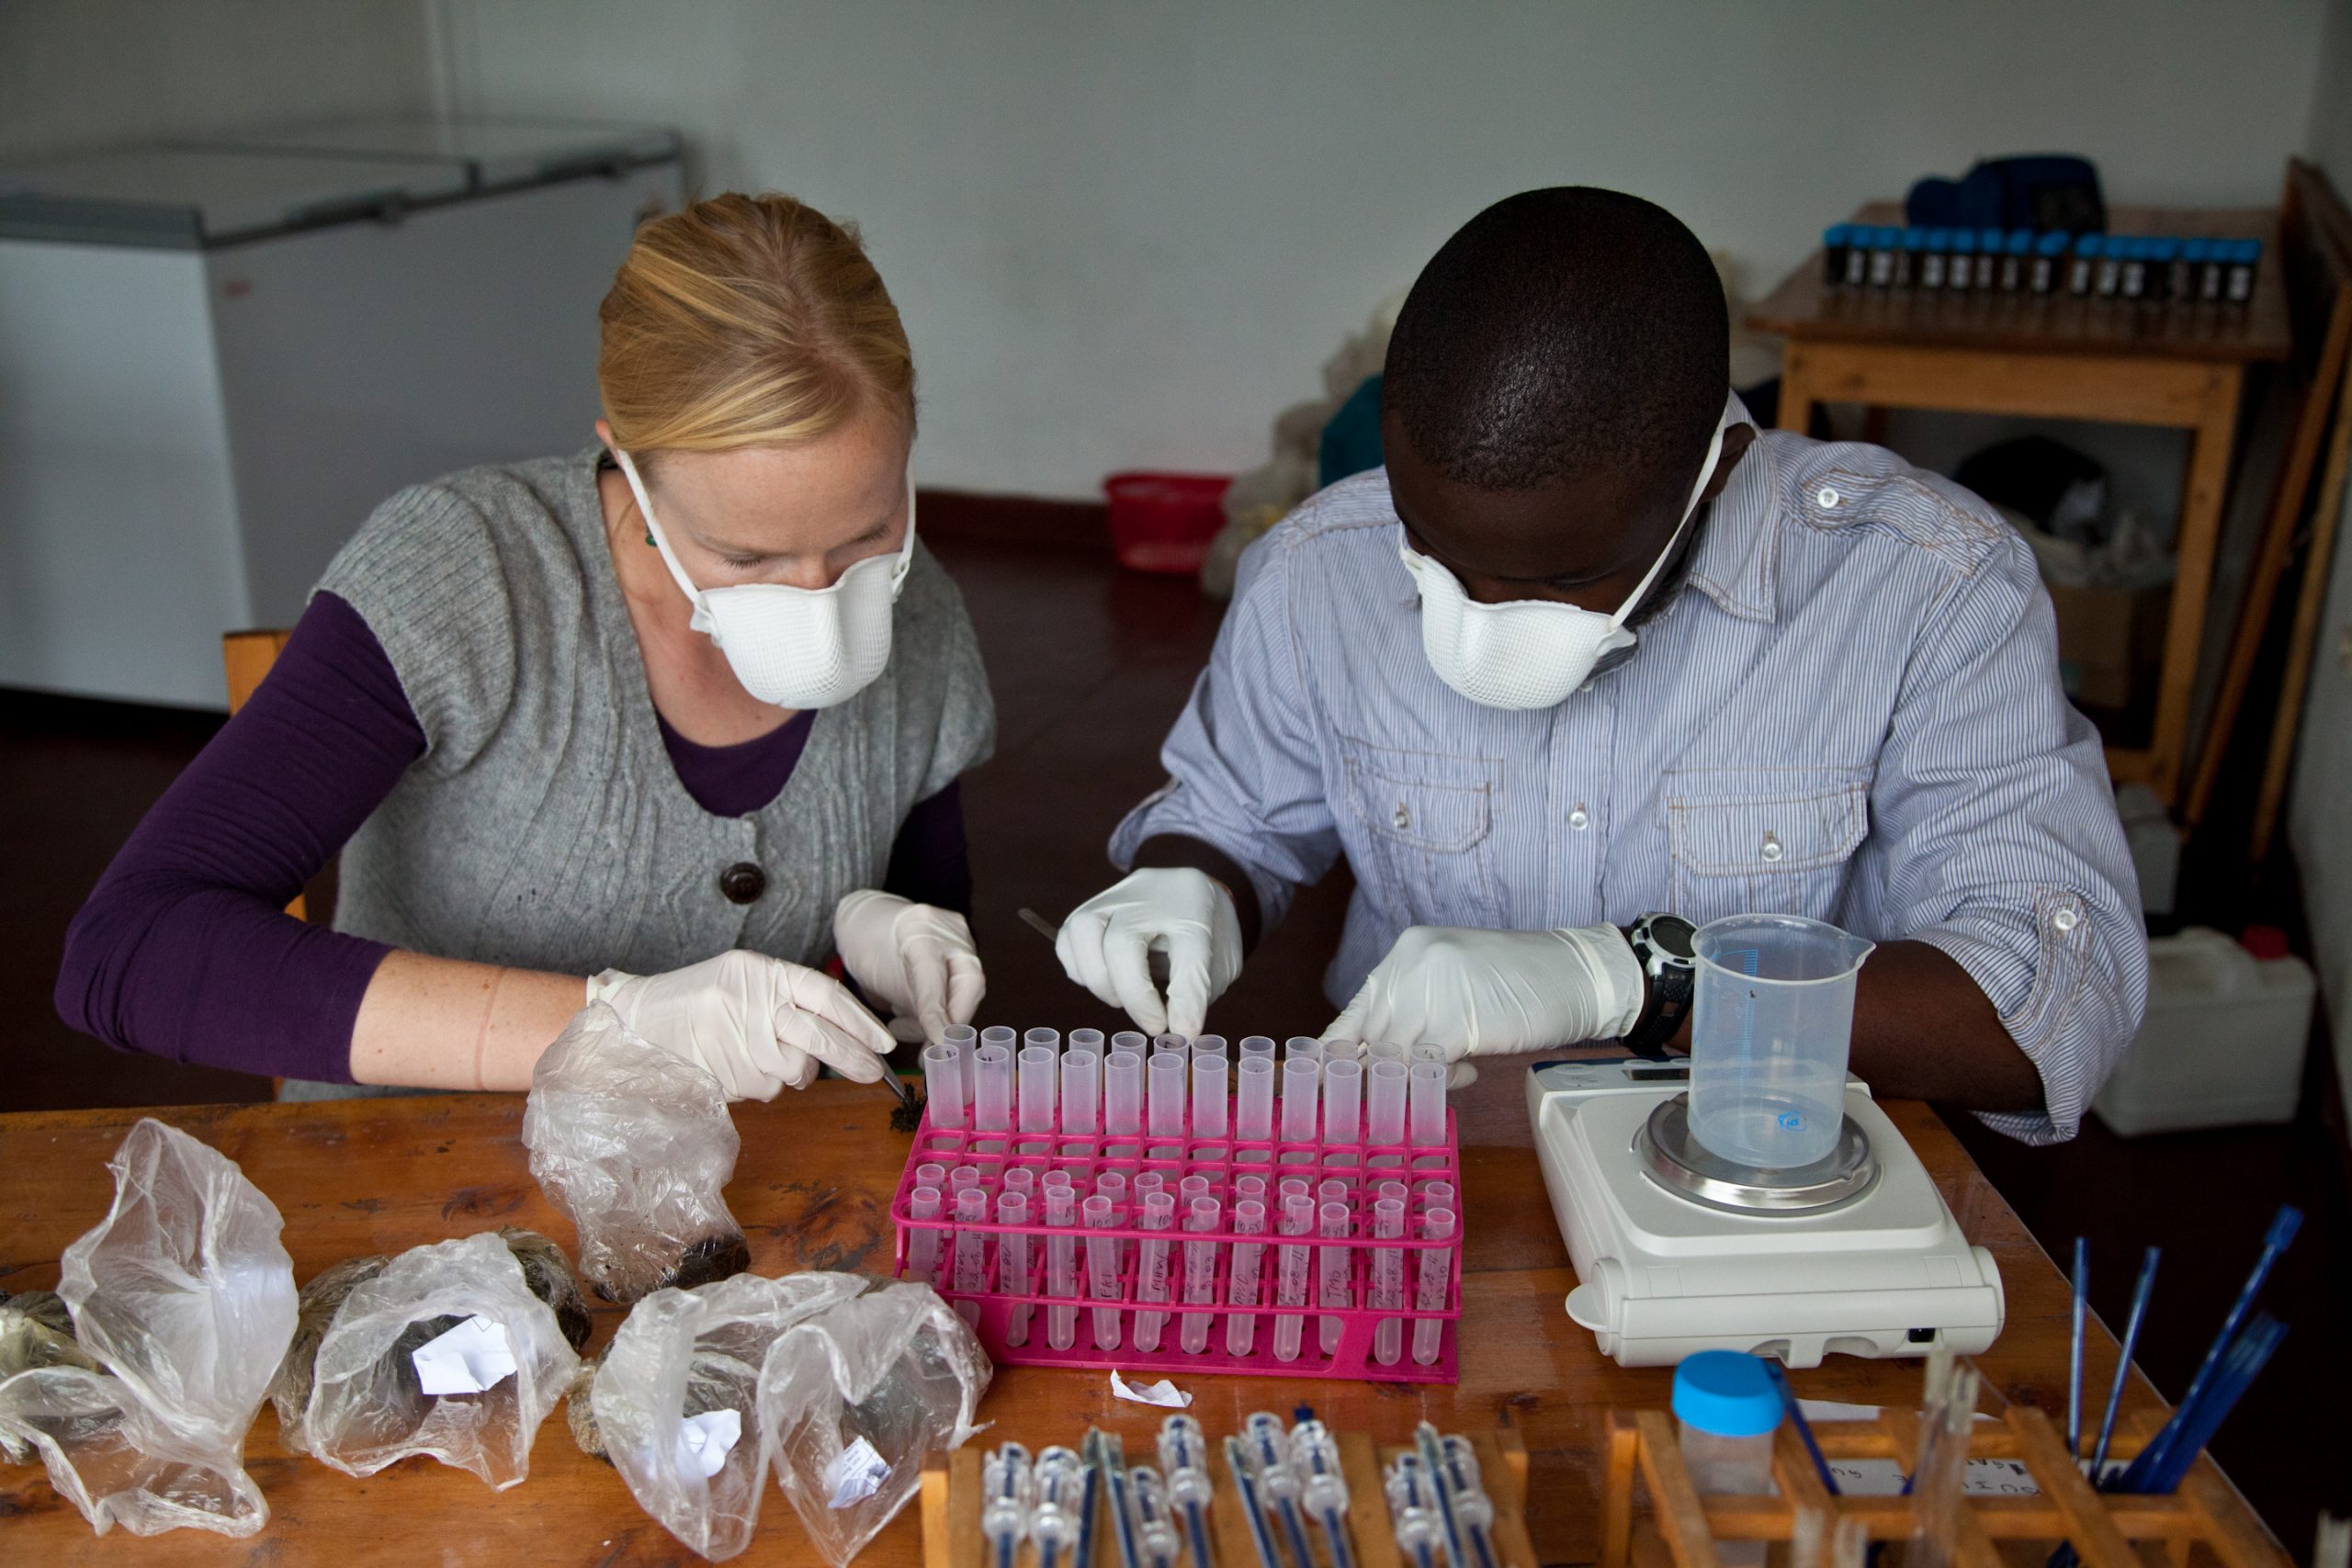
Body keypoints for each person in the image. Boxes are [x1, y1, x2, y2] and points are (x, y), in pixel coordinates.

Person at [1056, 186, 2145, 1142]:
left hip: (1761, 1158)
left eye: (1561, 577)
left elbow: (2049, 1006)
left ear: (1714, 473)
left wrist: (1638, 979)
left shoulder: (1924, 587)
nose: (1476, 625)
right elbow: (1237, 813)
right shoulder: (1316, 569)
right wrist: (1189, 879)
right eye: (1429, 550)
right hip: (1430, 1151)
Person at [59, 193, 994, 1101]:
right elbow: (133, 951)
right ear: (628, 461)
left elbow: (906, 1011)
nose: (817, 603)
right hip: (426, 1205)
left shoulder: (922, 616)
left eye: (865, 534)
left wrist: (880, 936)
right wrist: (610, 1023)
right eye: (741, 553)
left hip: (742, 1206)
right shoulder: (468, 577)